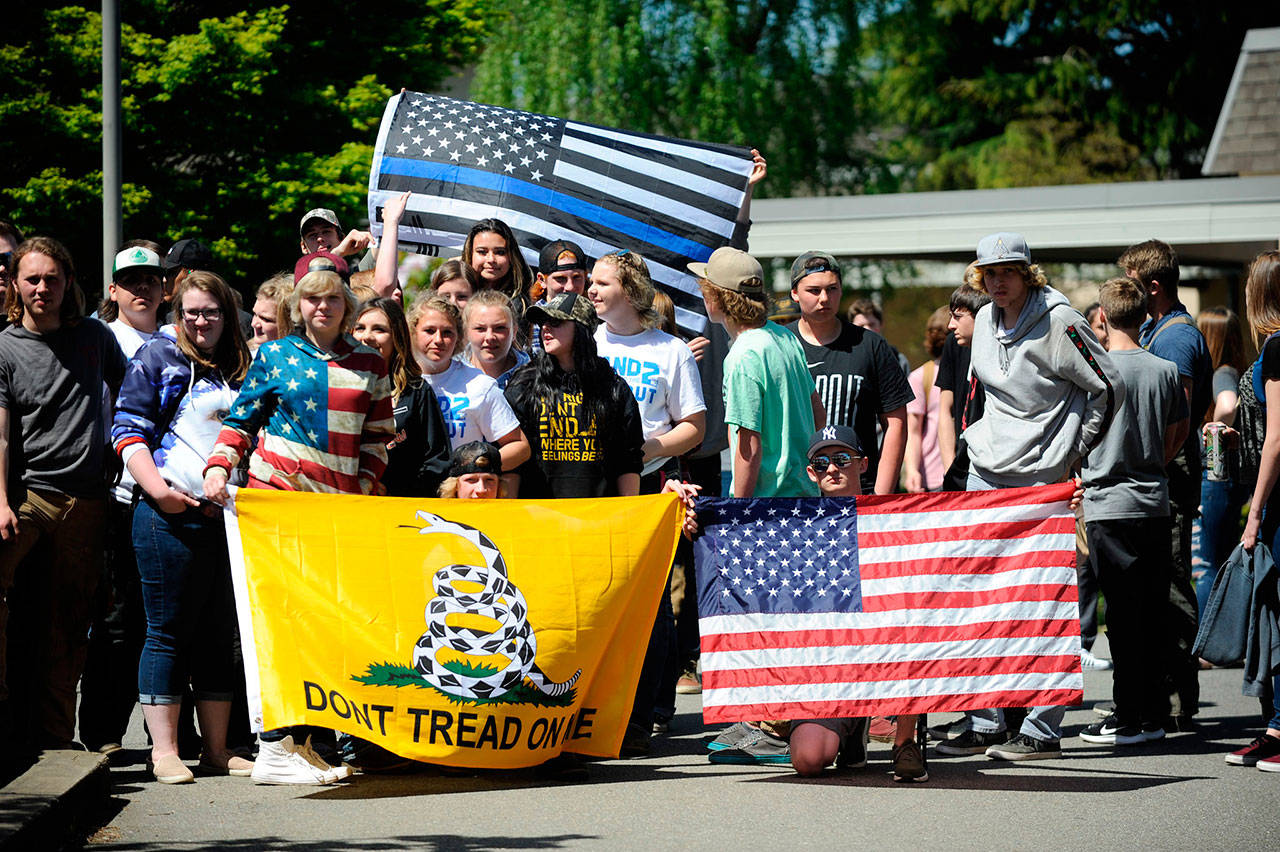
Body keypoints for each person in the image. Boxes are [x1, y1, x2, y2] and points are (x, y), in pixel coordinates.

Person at [203, 250, 394, 785]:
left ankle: (308, 744)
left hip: (337, 517)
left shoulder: (370, 364)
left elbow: (379, 440)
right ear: (297, 304)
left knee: (324, 628)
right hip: (279, 508)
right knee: (283, 624)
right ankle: (275, 747)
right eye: (313, 298)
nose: (323, 306)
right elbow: (241, 420)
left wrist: (365, 488)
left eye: (333, 297)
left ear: (347, 304)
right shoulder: (275, 356)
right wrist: (220, 466)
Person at [937, 232, 1118, 761]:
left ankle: (1042, 727)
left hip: (1042, 479)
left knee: (1044, 600)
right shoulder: (986, 319)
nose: (997, 281)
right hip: (986, 474)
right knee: (981, 599)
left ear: (1028, 274)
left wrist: (1072, 451)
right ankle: (986, 719)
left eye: (1008, 272)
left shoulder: (1061, 320)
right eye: (989, 273)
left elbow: (1107, 385)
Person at [112, 271, 255, 783]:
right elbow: (128, 430)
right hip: (166, 517)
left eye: (211, 312)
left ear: (227, 315)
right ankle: (165, 752)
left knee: (220, 634)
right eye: (192, 311)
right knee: (167, 632)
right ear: (180, 313)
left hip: (232, 520)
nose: (201, 321)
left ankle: (218, 749)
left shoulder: (246, 365)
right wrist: (159, 492)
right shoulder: (156, 355)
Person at [0, 237, 127, 761]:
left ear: (68, 282)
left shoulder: (94, 337)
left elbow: (133, 391)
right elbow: (2, 434)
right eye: (32, 278)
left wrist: (122, 445)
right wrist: (1, 501)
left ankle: (56, 734)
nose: (42, 289)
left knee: (69, 619)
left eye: (52, 278)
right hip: (26, 496)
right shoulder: (5, 347)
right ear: (14, 284)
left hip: (87, 498)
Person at [1077, 277, 1187, 748]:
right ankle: (1153, 711)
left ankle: (1127, 716)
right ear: (1145, 316)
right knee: (1151, 609)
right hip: (1153, 502)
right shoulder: (1164, 369)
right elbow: (1179, 430)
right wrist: (1152, 462)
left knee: (1120, 615)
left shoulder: (1094, 372)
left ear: (1101, 317)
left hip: (1107, 504)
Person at [781, 427, 926, 781]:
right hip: (828, 666)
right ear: (811, 472)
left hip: (884, 650)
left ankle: (904, 741)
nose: (834, 468)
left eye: (843, 459)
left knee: (916, 619)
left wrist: (1057, 504)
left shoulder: (893, 518)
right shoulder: (796, 527)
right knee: (808, 759)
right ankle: (851, 726)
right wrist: (698, 521)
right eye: (823, 461)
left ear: (862, 465)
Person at [79, 242, 167, 757]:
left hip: (169, 495)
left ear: (165, 288)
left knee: (169, 616)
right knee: (115, 619)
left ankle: (175, 735)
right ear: (113, 290)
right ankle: (104, 731)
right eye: (130, 281)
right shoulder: (100, 339)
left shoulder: (183, 341)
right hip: (115, 494)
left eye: (150, 280)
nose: (141, 289)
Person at [1122, 238, 1212, 732]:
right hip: (1159, 475)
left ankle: (1178, 700)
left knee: (1173, 584)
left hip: (1169, 479)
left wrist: (1152, 465)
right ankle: (1156, 693)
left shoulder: (1176, 338)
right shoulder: (1158, 330)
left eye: (1133, 284)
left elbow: (1176, 421)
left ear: (1152, 287)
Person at [695, 247, 822, 499]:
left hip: (767, 508)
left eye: (705, 290)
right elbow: (817, 412)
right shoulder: (784, 336)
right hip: (804, 495)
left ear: (717, 298)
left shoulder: (743, 356)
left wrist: (739, 513)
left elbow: (748, 447)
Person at [789, 252, 910, 495]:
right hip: (796, 491)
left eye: (832, 289)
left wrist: (880, 496)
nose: (824, 298)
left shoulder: (870, 344)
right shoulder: (780, 344)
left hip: (861, 490)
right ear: (794, 293)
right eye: (814, 290)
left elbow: (896, 423)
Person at [504, 292, 644, 499]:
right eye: (543, 322)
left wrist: (628, 513)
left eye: (556, 322)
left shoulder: (612, 387)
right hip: (537, 516)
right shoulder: (525, 383)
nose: (545, 328)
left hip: (598, 516)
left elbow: (628, 460)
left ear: (581, 329)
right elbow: (513, 464)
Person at [589, 250, 706, 482]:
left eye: (602, 283)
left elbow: (694, 428)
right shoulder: (585, 341)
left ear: (631, 293)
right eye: (591, 281)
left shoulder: (673, 350)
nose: (591, 289)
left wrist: (650, 449)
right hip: (593, 480)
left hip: (653, 478)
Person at [1228, 249, 1280, 773]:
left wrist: (1255, 511)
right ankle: (1273, 725)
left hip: (1276, 499)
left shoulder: (1279, 346)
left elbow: (1279, 438)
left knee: (1276, 609)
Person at [408, 295, 530, 480]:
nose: (438, 340)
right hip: (405, 497)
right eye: (429, 331)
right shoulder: (397, 382)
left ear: (459, 336)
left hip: (462, 498)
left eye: (447, 332)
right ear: (412, 332)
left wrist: (476, 469)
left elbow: (520, 447)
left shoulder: (479, 385)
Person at [353, 297, 452, 498]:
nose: (367, 337)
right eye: (359, 328)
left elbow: (437, 461)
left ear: (397, 338)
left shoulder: (416, 390)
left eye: (379, 330)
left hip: (402, 507)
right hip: (345, 503)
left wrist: (395, 491)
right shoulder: (335, 386)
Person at [1195, 306, 1248, 615]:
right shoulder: (1236, 371)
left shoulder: (1222, 372)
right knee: (1223, 559)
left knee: (1210, 563)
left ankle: (1206, 645)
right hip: (1230, 480)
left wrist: (1213, 435)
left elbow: (1226, 407)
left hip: (1216, 479)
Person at [935, 282, 990, 491]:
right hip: (961, 464)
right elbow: (945, 410)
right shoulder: (954, 344)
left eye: (957, 317)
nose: (950, 325)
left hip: (991, 467)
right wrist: (950, 466)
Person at [904, 306, 949, 492]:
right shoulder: (921, 376)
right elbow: (913, 431)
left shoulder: (973, 372)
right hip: (932, 478)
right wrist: (912, 471)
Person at [529, 240, 590, 352]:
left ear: (585, 277)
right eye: (560, 279)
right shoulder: (530, 323)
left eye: (577, 277)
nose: (570, 287)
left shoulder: (595, 319)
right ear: (542, 280)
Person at [464, 290, 529, 389]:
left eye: (499, 328)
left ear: (514, 332)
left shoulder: (534, 378)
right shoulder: (448, 376)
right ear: (466, 332)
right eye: (480, 329)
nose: (489, 337)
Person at [462, 219, 533, 305]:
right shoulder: (454, 294)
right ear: (470, 254)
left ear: (512, 257)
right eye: (482, 252)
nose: (491, 259)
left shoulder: (520, 306)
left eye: (500, 252)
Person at [848, 297, 911, 377]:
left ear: (881, 325)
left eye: (871, 324)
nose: (867, 329)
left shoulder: (899, 361)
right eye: (861, 326)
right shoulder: (843, 360)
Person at [299, 208, 373, 261]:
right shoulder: (300, 280)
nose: (319, 239)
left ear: (342, 238)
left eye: (326, 232)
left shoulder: (360, 271)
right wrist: (337, 253)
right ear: (303, 247)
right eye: (312, 235)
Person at [249, 274, 293, 354]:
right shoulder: (242, 358)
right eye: (255, 314)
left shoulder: (307, 362)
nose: (254, 324)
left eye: (266, 319)